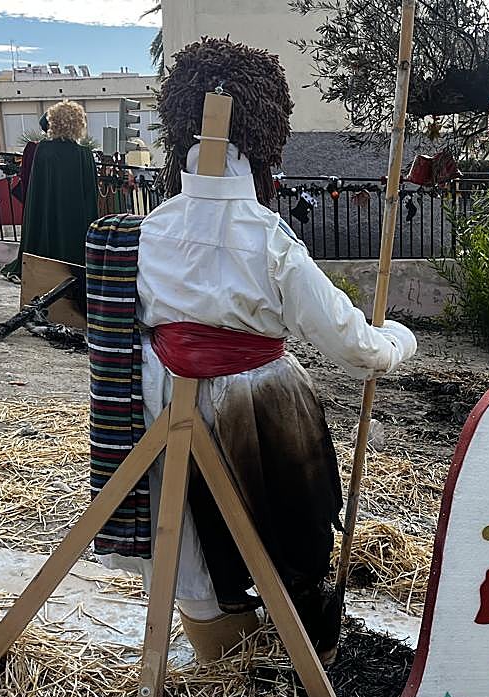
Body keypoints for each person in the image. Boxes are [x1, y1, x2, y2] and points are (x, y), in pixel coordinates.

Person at [87, 38, 417, 665]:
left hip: (161, 399)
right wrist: (398, 340)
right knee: (290, 522)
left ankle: (215, 636)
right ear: (264, 143)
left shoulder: (148, 232)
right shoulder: (269, 240)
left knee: (182, 521)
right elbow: (355, 347)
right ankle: (287, 631)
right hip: (258, 404)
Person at [2, 101, 98, 281]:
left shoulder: (43, 150)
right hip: (76, 218)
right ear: (78, 124)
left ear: (54, 122)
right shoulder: (84, 154)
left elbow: (36, 190)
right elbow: (90, 195)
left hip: (47, 213)